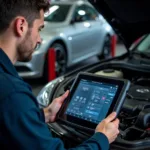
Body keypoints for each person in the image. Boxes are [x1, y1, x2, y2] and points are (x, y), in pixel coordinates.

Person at [0, 0, 120, 149]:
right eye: (39, 29)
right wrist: (102, 138)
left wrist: (45, 114)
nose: (39, 39)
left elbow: (9, 120)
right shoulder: (13, 93)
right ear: (21, 26)